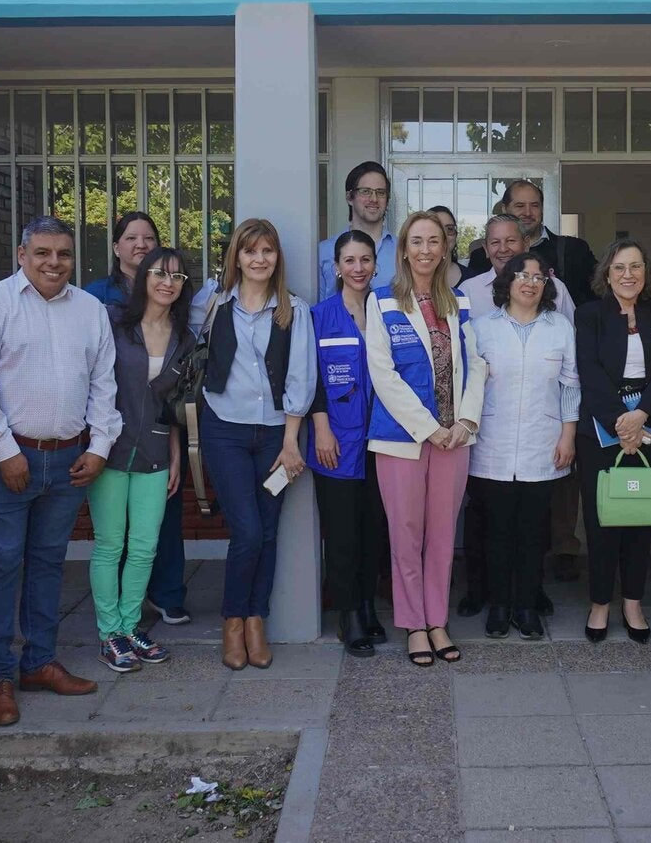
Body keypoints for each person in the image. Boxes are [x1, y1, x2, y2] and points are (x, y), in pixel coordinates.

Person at [0, 216, 122, 726]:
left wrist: (99, 446)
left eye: (64, 254)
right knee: (3, 564)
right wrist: (5, 452)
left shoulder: (90, 309)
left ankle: (39, 662)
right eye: (44, 253)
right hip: (9, 458)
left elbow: (104, 383)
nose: (54, 263)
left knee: (50, 563)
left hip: (69, 460)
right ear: (21, 253)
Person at [366, 211, 484, 667]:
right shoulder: (382, 303)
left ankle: (438, 620)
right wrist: (429, 427)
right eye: (416, 241)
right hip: (403, 440)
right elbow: (384, 375)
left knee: (441, 533)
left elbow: (477, 366)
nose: (426, 250)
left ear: (445, 248)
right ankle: (414, 623)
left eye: (434, 241)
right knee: (407, 532)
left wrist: (465, 423)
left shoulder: (459, 303)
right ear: (404, 250)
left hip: (454, 439)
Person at [200, 218, 316, 671]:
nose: (259, 259)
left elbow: (301, 377)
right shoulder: (212, 304)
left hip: (274, 436)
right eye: (250, 251)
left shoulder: (293, 310)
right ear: (237, 257)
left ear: (277, 258)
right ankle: (233, 620)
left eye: (267, 251)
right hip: (224, 429)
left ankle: (256, 621)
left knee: (268, 531)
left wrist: (291, 443)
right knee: (246, 530)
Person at [457, 213, 576, 615]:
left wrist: (568, 435)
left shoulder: (560, 327)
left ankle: (526, 605)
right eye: (521, 277)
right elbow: (468, 385)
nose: (529, 282)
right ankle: (498, 606)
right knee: (494, 531)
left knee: (533, 531)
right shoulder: (482, 327)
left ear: (547, 285)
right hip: (492, 443)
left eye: (537, 278)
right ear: (506, 283)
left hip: (543, 444)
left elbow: (571, 384)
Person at [89, 247, 195, 672]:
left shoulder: (184, 338)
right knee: (110, 544)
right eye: (159, 273)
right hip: (110, 449)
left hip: (154, 450)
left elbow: (174, 406)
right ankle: (108, 632)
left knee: (145, 547)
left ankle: (131, 626)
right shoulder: (114, 323)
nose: (167, 282)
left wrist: (175, 457)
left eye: (177, 277)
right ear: (144, 277)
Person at [575, 240, 651, 644]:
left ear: (646, 273)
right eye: (619, 267)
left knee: (641, 517)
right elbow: (589, 369)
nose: (628, 275)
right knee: (603, 520)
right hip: (601, 431)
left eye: (636, 266)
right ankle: (600, 602)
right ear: (607, 273)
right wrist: (621, 422)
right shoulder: (589, 316)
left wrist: (642, 416)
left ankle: (633, 601)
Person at [308, 231, 388, 657]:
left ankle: (368, 606)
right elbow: (310, 378)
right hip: (335, 441)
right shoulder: (318, 316)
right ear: (336, 266)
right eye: (349, 260)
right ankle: (349, 616)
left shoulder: (388, 313)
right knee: (341, 535)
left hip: (382, 441)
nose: (358, 268)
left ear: (376, 264)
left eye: (365, 260)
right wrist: (321, 428)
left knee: (373, 531)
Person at [465, 179, 598, 305]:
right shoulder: (482, 257)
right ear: (504, 209)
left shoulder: (574, 249)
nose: (527, 212)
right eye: (520, 206)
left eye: (535, 205)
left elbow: (595, 295)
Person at [318, 161, 397, 300]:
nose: (374, 199)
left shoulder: (403, 250)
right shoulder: (324, 251)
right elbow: (318, 310)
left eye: (380, 192)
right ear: (349, 197)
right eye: (365, 191)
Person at [83, 211, 162, 305]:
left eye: (149, 238)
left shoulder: (169, 289)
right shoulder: (97, 293)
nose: (141, 245)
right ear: (116, 248)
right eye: (131, 238)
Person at [427, 205, 468, 289]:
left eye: (449, 229)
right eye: (436, 228)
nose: (444, 235)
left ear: (456, 235)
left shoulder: (473, 279)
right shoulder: (410, 280)